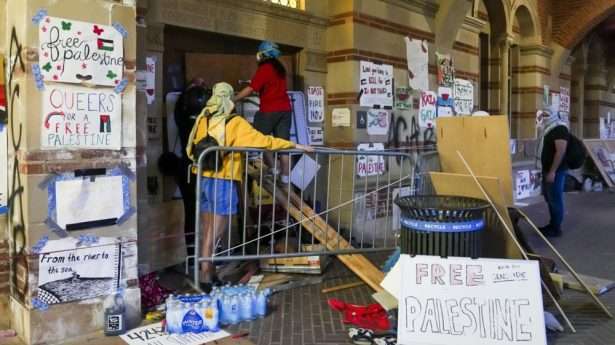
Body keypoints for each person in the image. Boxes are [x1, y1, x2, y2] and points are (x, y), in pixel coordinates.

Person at [186, 82, 312, 290]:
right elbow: (265, 141)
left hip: (202, 178)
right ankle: (206, 271)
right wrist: (296, 145)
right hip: (222, 179)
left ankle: (207, 270)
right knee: (216, 229)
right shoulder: (234, 122)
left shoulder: (203, 118)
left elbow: (191, 147)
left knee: (207, 228)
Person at [234, 40, 293, 183]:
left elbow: (251, 88)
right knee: (283, 144)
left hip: (269, 110)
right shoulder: (280, 69)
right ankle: (285, 177)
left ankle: (273, 169)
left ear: (263, 55)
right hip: (285, 110)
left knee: (261, 139)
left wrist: (234, 99)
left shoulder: (265, 68)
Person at [173, 80, 208, 256]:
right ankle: (211, 252)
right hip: (208, 170)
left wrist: (188, 88)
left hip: (187, 170)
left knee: (190, 212)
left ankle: (192, 253)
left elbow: (177, 110)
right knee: (210, 212)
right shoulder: (209, 122)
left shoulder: (184, 121)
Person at [536, 109, 569, 237]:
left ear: (554, 115)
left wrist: (552, 172)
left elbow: (560, 152)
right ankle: (552, 224)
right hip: (548, 169)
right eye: (543, 114)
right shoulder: (548, 128)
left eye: (546, 115)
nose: (544, 117)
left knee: (555, 198)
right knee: (549, 197)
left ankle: (556, 228)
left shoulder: (559, 128)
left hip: (556, 171)